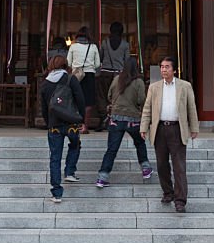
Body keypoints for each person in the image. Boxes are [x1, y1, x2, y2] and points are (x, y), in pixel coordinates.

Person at [140, 56, 199, 213]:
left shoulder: (184, 86)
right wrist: (143, 127)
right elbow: (147, 108)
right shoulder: (154, 87)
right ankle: (168, 192)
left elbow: (191, 108)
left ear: (174, 69)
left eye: (167, 67)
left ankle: (180, 200)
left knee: (179, 166)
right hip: (159, 129)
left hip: (177, 129)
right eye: (161, 67)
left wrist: (194, 127)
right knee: (161, 165)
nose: (163, 69)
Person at [96, 58, 153, 188]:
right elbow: (141, 99)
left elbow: (109, 96)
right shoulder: (138, 82)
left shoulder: (117, 79)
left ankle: (102, 176)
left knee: (112, 149)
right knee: (139, 143)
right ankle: (145, 168)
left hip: (116, 119)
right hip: (133, 119)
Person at [39, 55, 85, 203]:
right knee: (75, 144)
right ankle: (70, 171)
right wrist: (81, 119)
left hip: (54, 126)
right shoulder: (71, 79)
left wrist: (48, 122)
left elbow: (44, 107)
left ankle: (56, 192)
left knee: (55, 157)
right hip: (71, 123)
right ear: (65, 65)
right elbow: (80, 100)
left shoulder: (45, 84)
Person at [97, 22, 130, 130]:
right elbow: (127, 61)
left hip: (105, 73)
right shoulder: (125, 45)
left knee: (103, 97)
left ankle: (104, 118)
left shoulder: (105, 43)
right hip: (119, 74)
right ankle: (115, 119)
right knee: (117, 98)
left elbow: (100, 58)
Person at [67, 26, 100, 133]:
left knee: (75, 100)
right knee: (88, 102)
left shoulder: (73, 47)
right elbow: (98, 64)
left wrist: (76, 67)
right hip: (89, 75)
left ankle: (76, 125)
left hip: (76, 76)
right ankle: (85, 126)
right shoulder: (93, 47)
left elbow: (68, 62)